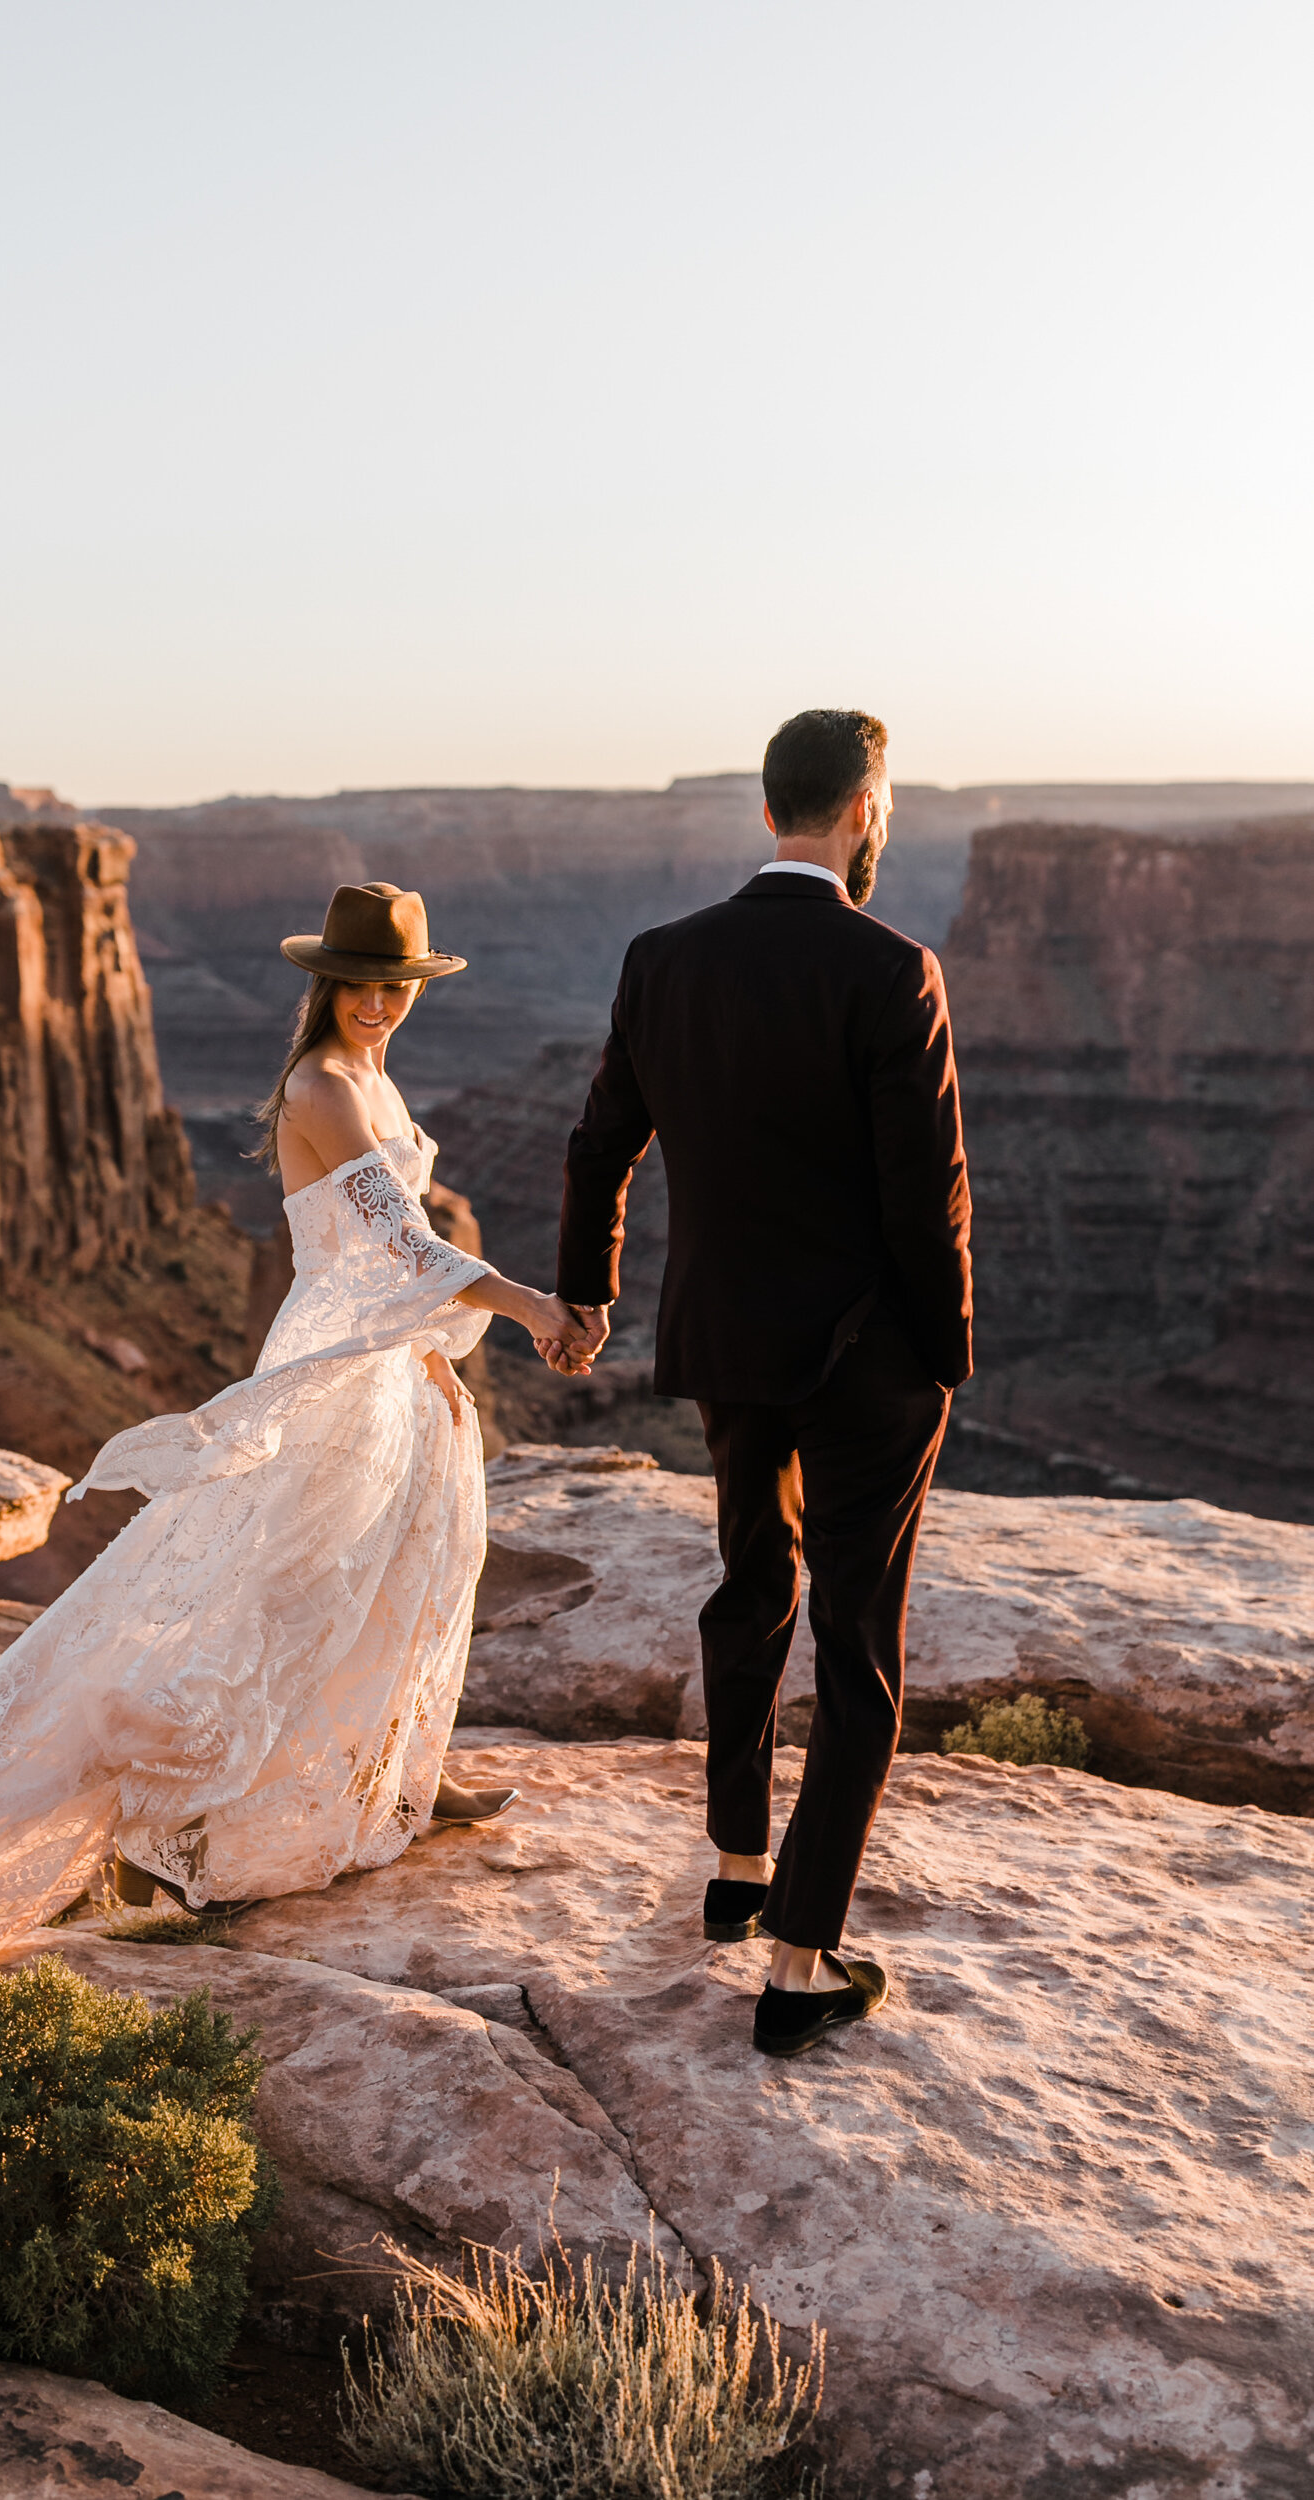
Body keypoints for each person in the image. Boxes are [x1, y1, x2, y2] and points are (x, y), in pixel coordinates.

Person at [0, 880, 592, 2099]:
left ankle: (392, 1777)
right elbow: (400, 1250)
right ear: (326, 986)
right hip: (332, 1376)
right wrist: (527, 1308)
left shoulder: (378, 1074)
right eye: (362, 984)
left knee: (408, 1571)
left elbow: (398, 1272)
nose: (380, 1005)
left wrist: (448, 1357)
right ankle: (167, 1830)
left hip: (392, 1366)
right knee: (281, 1590)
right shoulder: (319, 1085)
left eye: (397, 987)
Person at [554, 710, 972, 2059]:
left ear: (766, 811)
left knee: (747, 1590)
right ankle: (799, 1961)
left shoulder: (661, 960)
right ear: (863, 811)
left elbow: (596, 1143)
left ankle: (736, 1864)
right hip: (866, 1363)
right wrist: (944, 1352)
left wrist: (590, 1290)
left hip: (723, 1345)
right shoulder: (888, 968)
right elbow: (927, 1199)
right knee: (855, 1652)